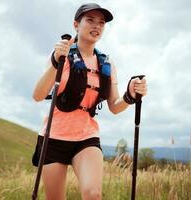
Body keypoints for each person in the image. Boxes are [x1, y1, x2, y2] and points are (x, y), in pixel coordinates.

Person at [32, 3, 147, 200]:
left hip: (86, 138)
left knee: (93, 194)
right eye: (90, 20)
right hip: (53, 137)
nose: (97, 26)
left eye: (101, 23)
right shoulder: (62, 56)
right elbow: (38, 95)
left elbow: (115, 106)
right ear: (76, 25)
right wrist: (54, 61)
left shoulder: (106, 63)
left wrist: (130, 95)